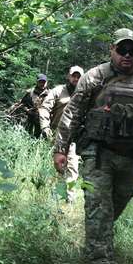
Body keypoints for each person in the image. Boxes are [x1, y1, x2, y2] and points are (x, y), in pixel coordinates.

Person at [52, 28, 133, 264]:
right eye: (122, 50)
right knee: (98, 206)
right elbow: (72, 113)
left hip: (131, 156)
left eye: (132, 50)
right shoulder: (94, 77)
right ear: (112, 50)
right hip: (98, 153)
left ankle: (97, 239)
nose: (127, 55)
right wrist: (61, 148)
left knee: (115, 205)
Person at [39, 65, 84, 203]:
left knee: (72, 167)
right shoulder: (58, 91)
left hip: (75, 137)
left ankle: (69, 198)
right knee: (58, 166)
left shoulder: (84, 93)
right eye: (73, 75)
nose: (76, 78)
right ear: (68, 76)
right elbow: (44, 108)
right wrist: (45, 127)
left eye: (79, 76)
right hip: (57, 134)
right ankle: (57, 196)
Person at [9, 74, 49, 138]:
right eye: (40, 82)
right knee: (27, 135)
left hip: (44, 120)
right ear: (37, 82)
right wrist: (27, 110)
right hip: (30, 118)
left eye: (44, 82)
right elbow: (22, 104)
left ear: (46, 82)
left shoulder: (50, 94)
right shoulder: (30, 92)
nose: (42, 84)